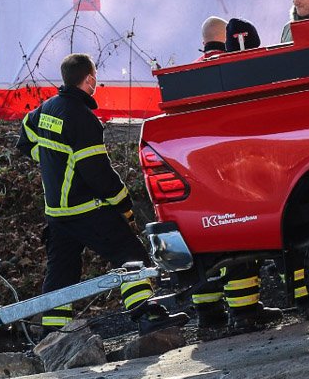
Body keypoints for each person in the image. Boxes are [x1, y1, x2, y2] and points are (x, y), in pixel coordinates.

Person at [17, 54, 186, 334]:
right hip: (84, 209)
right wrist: (123, 203)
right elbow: (98, 173)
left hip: (57, 214)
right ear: (90, 79)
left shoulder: (47, 108)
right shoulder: (82, 119)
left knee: (61, 276)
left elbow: (25, 139)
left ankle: (52, 336)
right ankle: (146, 316)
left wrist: (52, 165)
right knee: (131, 255)